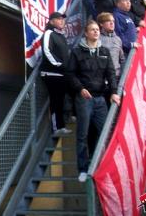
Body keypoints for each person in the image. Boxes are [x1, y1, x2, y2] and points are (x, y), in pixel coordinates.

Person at [66, 20, 120, 182]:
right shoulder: (77, 52)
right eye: (93, 30)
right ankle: (83, 169)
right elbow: (70, 74)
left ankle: (99, 165)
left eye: (97, 29)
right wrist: (80, 88)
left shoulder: (104, 51)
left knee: (104, 133)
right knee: (82, 134)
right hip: (84, 98)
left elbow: (111, 73)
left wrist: (114, 92)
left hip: (100, 99)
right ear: (86, 33)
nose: (96, 32)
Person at [41, 12, 72, 137]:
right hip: (51, 73)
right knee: (55, 100)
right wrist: (58, 64)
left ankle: (63, 124)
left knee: (61, 99)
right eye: (58, 19)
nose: (61, 21)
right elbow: (47, 50)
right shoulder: (49, 33)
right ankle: (57, 128)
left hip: (61, 74)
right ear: (51, 21)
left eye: (62, 19)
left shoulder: (62, 36)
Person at [97, 12, 125, 80]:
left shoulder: (118, 39)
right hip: (101, 77)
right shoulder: (96, 38)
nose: (112, 23)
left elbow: (122, 59)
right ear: (101, 24)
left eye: (113, 21)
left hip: (116, 77)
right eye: (108, 21)